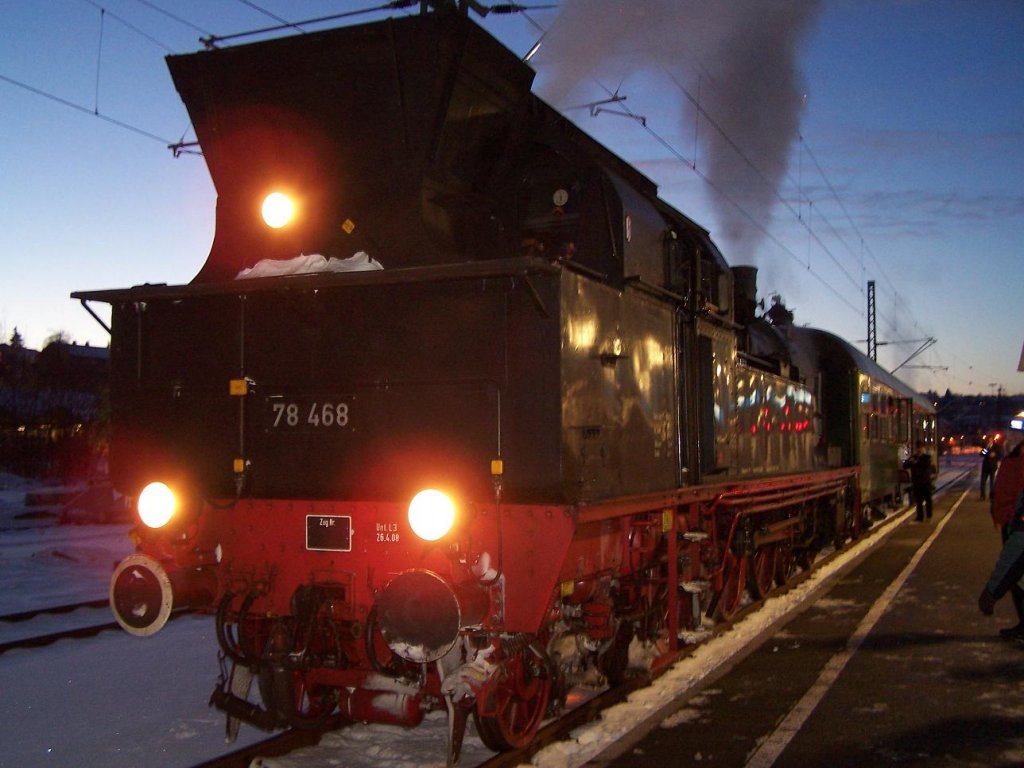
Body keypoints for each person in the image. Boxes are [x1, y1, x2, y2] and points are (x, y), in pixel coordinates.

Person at [980, 440, 1024, 638]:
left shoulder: (1013, 462)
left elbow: (1013, 555)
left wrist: (991, 592)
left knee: (1015, 568)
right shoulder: (1012, 461)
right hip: (1011, 520)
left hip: (1014, 522)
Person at [903, 442, 935, 521]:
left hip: (926, 482)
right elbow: (905, 465)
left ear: (923, 449)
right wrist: (910, 461)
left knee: (928, 500)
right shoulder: (913, 457)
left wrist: (916, 462)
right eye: (918, 448)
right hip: (917, 482)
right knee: (919, 501)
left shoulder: (926, 457)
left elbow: (925, 464)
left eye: (921, 448)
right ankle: (920, 517)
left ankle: (929, 515)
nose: (919, 450)